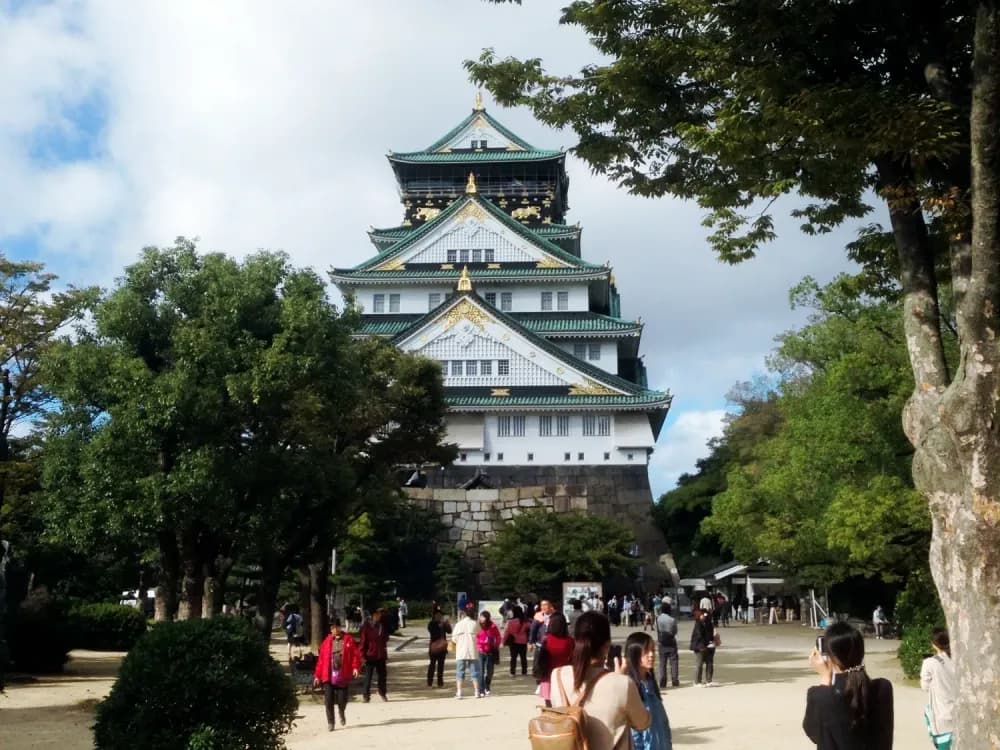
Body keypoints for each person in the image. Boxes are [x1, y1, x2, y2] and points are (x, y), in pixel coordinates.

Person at [550, 611, 650, 750]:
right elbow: (642, 723)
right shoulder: (622, 683)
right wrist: (619, 677)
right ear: (607, 646)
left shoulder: (557, 675)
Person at [803, 621, 893, 750]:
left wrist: (825, 677)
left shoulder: (821, 696)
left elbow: (814, 734)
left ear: (829, 656)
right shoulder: (883, 688)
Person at [625, 632, 673, 750]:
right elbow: (633, 733)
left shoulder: (650, 683)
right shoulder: (630, 687)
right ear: (634, 653)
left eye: (653, 650)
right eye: (646, 651)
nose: (651, 655)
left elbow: (663, 724)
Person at [313, 618, 361, 732]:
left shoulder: (348, 639)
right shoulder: (326, 642)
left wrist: (355, 668)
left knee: (342, 700)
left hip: (342, 674)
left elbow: (356, 655)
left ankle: (341, 711)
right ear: (330, 629)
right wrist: (317, 676)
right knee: (328, 700)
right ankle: (331, 722)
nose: (335, 629)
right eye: (332, 627)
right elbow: (321, 660)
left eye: (337, 627)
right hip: (328, 675)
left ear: (340, 627)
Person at [920, 628, 955, 750]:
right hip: (959, 711)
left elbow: (924, 686)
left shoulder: (930, 662)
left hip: (942, 714)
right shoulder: (958, 658)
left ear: (934, 644)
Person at [538, 612, 575, 707]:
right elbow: (572, 657)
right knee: (563, 701)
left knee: (548, 702)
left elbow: (541, 657)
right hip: (563, 674)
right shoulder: (570, 641)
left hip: (547, 673)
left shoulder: (546, 639)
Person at [358, 608, 389, 702]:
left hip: (380, 654)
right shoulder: (366, 627)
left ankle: (382, 692)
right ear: (372, 615)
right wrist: (362, 656)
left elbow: (385, 638)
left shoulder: (381, 626)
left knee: (383, 675)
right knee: (368, 676)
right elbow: (363, 642)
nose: (379, 616)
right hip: (370, 655)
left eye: (380, 614)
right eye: (377, 614)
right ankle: (366, 695)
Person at [451, 606, 481, 699]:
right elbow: (480, 635)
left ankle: (459, 693)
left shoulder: (458, 624)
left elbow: (454, 639)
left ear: (464, 614)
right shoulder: (475, 624)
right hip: (473, 651)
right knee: (475, 672)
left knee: (460, 672)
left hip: (461, 652)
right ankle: (477, 692)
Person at [476, 610, 502, 697]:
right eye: (480, 616)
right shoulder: (477, 626)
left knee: (490, 671)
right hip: (480, 651)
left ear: (487, 618)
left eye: (483, 617)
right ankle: (481, 689)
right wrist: (478, 646)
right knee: (481, 671)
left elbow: (498, 636)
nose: (481, 618)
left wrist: (496, 645)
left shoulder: (493, 626)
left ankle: (487, 685)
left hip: (490, 651)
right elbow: (475, 637)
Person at [689, 608, 717, 686]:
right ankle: (697, 681)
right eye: (703, 615)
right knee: (699, 663)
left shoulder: (708, 623)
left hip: (708, 645)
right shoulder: (698, 624)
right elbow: (698, 636)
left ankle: (709, 680)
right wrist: (702, 646)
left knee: (709, 662)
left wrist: (711, 642)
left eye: (706, 615)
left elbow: (711, 634)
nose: (704, 616)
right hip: (699, 646)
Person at [655, 603, 680, 688]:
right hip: (671, 642)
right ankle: (675, 680)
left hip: (661, 642)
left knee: (662, 662)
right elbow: (675, 631)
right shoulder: (672, 620)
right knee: (674, 661)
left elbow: (657, 629)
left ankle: (662, 681)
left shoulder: (658, 619)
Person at [502, 604, 530, 676]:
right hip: (523, 641)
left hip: (513, 642)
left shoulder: (510, 622)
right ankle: (524, 671)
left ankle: (512, 672)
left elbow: (507, 632)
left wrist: (503, 641)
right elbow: (530, 629)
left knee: (513, 658)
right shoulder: (526, 622)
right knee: (523, 657)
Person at [427, 608, 451, 688]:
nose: (439, 616)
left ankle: (440, 683)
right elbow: (433, 634)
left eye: (441, 615)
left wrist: (447, 624)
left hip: (442, 648)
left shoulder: (443, 623)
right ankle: (429, 682)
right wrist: (439, 627)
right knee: (432, 665)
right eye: (438, 615)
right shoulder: (431, 624)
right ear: (434, 616)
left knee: (441, 666)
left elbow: (449, 631)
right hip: (434, 647)